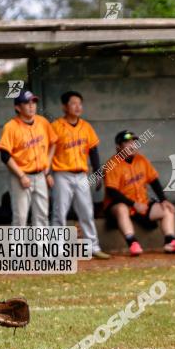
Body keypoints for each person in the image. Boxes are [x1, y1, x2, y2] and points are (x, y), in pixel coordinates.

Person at [103, 130, 175, 256]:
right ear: (118, 147)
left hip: (141, 204)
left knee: (167, 209)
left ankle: (170, 242)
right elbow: (112, 192)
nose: (132, 145)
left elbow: (154, 181)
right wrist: (133, 204)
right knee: (122, 208)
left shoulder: (141, 160)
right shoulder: (112, 164)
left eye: (134, 141)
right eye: (127, 142)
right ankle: (132, 243)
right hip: (121, 205)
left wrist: (163, 199)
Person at [50, 91, 110, 259]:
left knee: (87, 212)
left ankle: (93, 247)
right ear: (64, 107)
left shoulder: (86, 126)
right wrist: (47, 173)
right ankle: (57, 249)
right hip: (62, 174)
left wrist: (98, 173)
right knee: (59, 213)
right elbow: (48, 151)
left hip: (81, 175)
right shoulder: (56, 126)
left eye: (79, 103)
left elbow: (93, 150)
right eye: (73, 103)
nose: (78, 107)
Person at [0, 90, 58, 226]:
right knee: (21, 218)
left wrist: (47, 170)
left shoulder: (42, 122)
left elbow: (53, 143)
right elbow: (5, 155)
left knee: (42, 216)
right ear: (17, 107)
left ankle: (41, 248)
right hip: (21, 176)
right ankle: (17, 248)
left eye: (33, 102)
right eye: (27, 103)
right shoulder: (10, 127)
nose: (31, 106)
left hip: (41, 175)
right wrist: (21, 176)